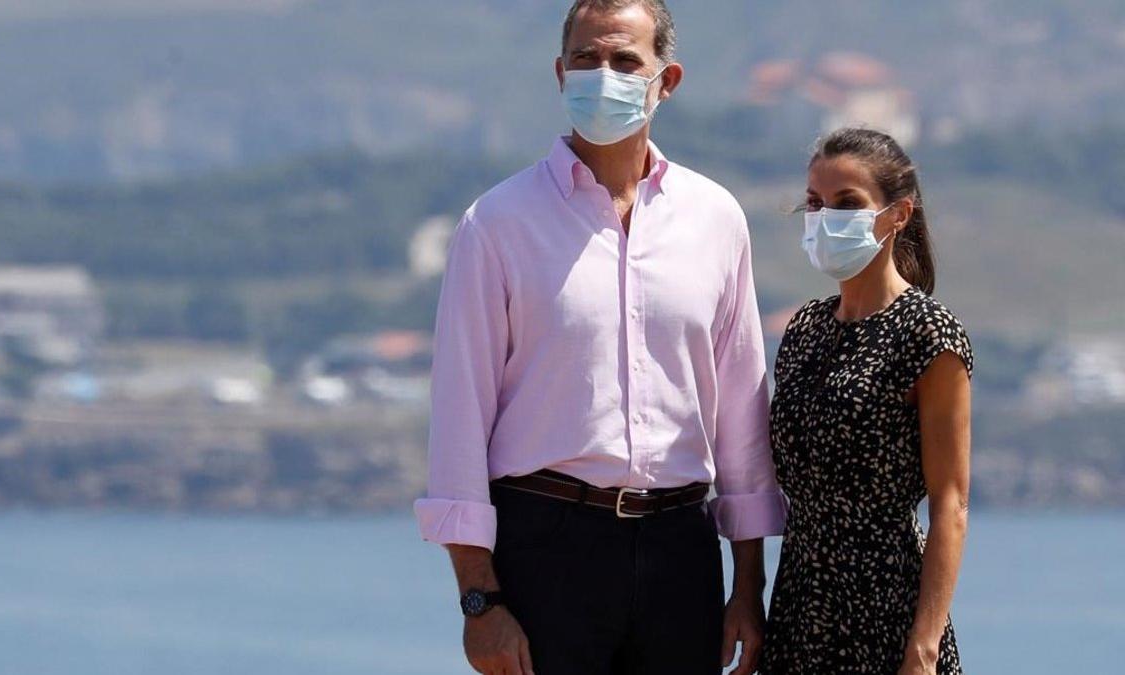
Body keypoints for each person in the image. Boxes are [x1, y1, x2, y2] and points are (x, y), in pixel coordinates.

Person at [413, 1, 787, 673]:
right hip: (545, 547)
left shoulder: (718, 220)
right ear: (560, 73)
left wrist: (748, 585)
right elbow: (460, 415)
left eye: (624, 60)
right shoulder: (496, 224)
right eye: (586, 59)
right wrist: (479, 600)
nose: (602, 74)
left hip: (683, 547)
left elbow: (741, 411)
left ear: (666, 80)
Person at [759, 127, 973, 675]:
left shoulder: (927, 333)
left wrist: (923, 648)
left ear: (898, 214)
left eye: (847, 203)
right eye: (815, 203)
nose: (826, 216)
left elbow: (951, 503)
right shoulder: (805, 330)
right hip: (799, 609)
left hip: (886, 609)